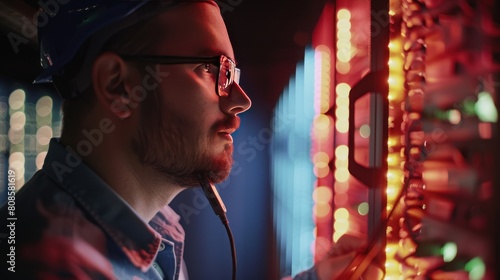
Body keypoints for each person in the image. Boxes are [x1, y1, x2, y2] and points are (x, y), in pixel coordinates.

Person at [0, 0, 383, 279]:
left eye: (232, 74)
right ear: (118, 86)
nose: (241, 101)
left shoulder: (152, 223)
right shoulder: (57, 267)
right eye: (211, 68)